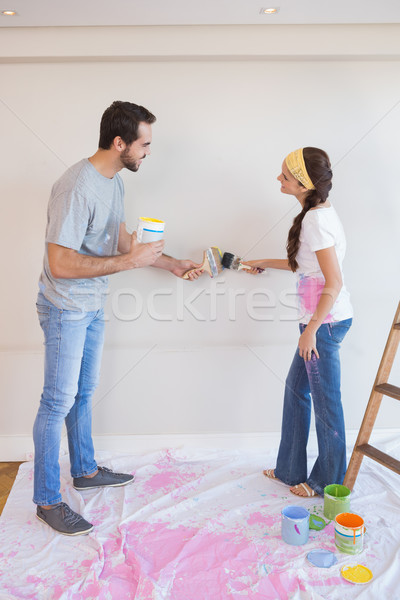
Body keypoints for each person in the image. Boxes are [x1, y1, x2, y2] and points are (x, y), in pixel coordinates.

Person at [33, 100, 202, 535]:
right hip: (65, 307)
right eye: (144, 144)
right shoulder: (75, 187)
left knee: (83, 392)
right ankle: (48, 500)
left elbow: (122, 239)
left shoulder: (114, 181)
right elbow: (61, 264)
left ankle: (84, 470)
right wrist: (128, 264)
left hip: (91, 304)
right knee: (57, 401)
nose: (148, 152)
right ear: (120, 142)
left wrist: (173, 263)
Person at [244, 147, 353, 497]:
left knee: (326, 404)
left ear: (304, 183)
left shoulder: (316, 220)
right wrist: (261, 260)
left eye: (286, 176)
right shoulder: (317, 214)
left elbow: (332, 283)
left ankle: (326, 482)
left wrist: (311, 330)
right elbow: (308, 266)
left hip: (324, 325)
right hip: (319, 323)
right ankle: (290, 469)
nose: (279, 179)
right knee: (296, 392)